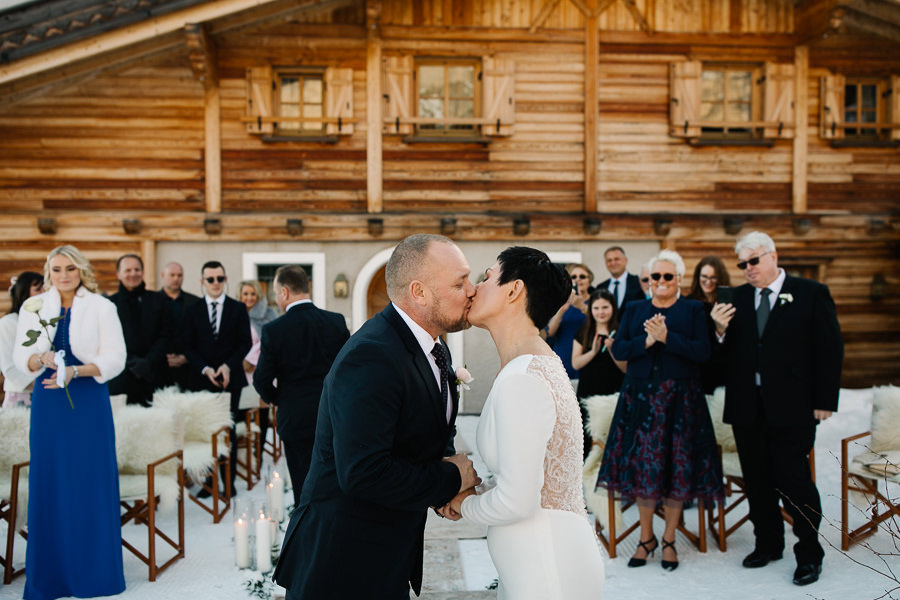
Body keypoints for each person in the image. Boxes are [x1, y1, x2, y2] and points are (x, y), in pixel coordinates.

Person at [273, 234, 479, 600]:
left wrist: (444, 486)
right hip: (341, 565)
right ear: (419, 292)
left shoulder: (433, 346)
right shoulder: (372, 355)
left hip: (385, 555)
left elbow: (421, 433)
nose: (472, 290)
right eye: (459, 282)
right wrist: (449, 477)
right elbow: (363, 473)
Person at [440, 246, 605, 599]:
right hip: (537, 560)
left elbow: (518, 501)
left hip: (545, 566)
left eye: (486, 278)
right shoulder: (534, 365)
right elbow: (532, 480)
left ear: (514, 290)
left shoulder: (523, 378)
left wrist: (461, 502)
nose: (473, 289)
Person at [710, 231, 843, 587]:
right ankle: (768, 544)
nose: (748, 269)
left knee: (794, 480)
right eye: (742, 264)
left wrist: (824, 401)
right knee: (757, 481)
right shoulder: (736, 298)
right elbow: (720, 361)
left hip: (794, 407)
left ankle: (810, 554)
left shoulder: (811, 293)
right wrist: (720, 331)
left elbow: (829, 349)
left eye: (754, 261)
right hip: (746, 406)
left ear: (773, 255)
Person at [595, 249, 722, 571]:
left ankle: (668, 540)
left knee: (676, 472)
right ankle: (645, 538)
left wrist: (667, 338)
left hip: (681, 402)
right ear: (648, 281)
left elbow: (703, 353)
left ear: (678, 278)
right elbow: (620, 348)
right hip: (639, 402)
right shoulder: (635, 308)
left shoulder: (693, 309)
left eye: (668, 276)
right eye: (655, 276)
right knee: (644, 472)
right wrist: (647, 343)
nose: (661, 282)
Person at [13, 245, 126, 600]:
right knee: (51, 481)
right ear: (48, 272)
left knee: (88, 479)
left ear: (82, 271)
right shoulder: (34, 307)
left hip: (88, 401)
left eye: (71, 269)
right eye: (57, 269)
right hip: (48, 403)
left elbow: (115, 358)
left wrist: (75, 371)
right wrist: (38, 358)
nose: (64, 275)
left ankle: (94, 574)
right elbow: (20, 357)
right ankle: (51, 578)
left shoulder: (102, 307)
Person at [253, 265, 349, 507]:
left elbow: (261, 379)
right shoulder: (335, 322)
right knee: (336, 485)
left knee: (304, 488)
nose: (277, 299)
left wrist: (280, 399)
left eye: (276, 293)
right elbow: (350, 372)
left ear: (284, 292)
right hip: (335, 419)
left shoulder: (274, 330)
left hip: (295, 420)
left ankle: (308, 539)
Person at [182, 260, 252, 497]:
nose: (215, 283)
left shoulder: (238, 308)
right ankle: (209, 482)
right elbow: (187, 346)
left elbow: (245, 343)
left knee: (227, 430)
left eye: (219, 278)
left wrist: (226, 366)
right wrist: (205, 369)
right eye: (210, 279)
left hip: (230, 380)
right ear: (202, 282)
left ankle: (228, 482)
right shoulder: (191, 310)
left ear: (225, 280)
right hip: (201, 380)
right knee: (206, 431)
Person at [108, 254, 171, 406]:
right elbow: (109, 339)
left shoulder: (160, 300)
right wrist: (132, 362)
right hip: (122, 375)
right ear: (118, 274)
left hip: (155, 373)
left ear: (143, 272)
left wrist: (148, 362)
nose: (133, 274)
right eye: (128, 270)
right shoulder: (109, 304)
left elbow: (166, 335)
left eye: (137, 269)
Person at [571, 288, 625, 458]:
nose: (601, 312)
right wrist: (593, 352)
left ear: (613, 308)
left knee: (612, 434)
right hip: (589, 390)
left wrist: (612, 350)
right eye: (596, 308)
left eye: (605, 307)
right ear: (591, 309)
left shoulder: (621, 332)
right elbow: (575, 363)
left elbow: (626, 368)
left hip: (614, 390)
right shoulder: (584, 331)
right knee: (587, 436)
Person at [239, 280, 277, 449]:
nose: (249, 297)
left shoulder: (267, 314)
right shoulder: (235, 314)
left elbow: (267, 341)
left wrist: (250, 359)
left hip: (258, 368)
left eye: (253, 294)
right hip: (238, 371)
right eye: (245, 293)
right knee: (242, 413)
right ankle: (244, 456)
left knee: (261, 412)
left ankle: (259, 454)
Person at [688, 255, 732, 393]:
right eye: (704, 276)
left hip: (723, 373)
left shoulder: (729, 304)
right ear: (697, 277)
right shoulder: (689, 304)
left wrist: (720, 330)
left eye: (713, 277)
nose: (708, 281)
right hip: (697, 373)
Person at [1, 272, 44, 407]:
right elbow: (8, 366)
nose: (44, 293)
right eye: (38, 289)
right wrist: (38, 385)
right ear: (24, 293)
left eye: (45, 289)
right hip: (21, 394)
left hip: (47, 393)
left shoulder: (47, 322)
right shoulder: (9, 323)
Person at [157, 261, 200, 389]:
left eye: (179, 275)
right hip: (159, 369)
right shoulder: (152, 301)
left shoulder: (195, 302)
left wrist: (186, 357)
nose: (176, 278)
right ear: (163, 275)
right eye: (172, 275)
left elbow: (200, 334)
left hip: (188, 368)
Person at [544, 263, 591, 379]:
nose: (578, 280)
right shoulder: (559, 303)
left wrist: (582, 307)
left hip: (587, 360)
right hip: (562, 360)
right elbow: (549, 333)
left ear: (589, 280)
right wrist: (562, 309)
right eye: (573, 277)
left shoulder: (596, 301)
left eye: (582, 276)